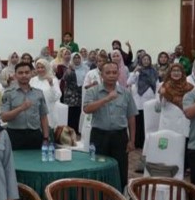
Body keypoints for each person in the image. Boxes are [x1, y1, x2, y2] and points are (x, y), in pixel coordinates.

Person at [83, 61, 138, 191]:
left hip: (120, 136)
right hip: (99, 135)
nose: (111, 75)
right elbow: (87, 109)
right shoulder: (93, 91)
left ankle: (120, 197)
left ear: (118, 74)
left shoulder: (125, 93)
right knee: (98, 168)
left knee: (120, 169)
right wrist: (106, 99)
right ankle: (99, 196)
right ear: (101, 75)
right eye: (108, 73)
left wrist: (132, 140)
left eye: (114, 72)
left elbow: (131, 117)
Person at [0, 62, 51, 150]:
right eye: (20, 73)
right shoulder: (8, 93)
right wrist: (20, 108)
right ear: (15, 75)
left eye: (27, 72)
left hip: (35, 135)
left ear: (31, 74)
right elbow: (4, 117)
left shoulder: (38, 93)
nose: (24, 75)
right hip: (15, 135)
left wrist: (46, 137)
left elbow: (43, 117)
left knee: (36, 158)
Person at [128, 54, 158, 150]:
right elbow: (129, 82)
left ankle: (146, 142)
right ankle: (137, 142)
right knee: (138, 122)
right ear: (141, 61)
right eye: (144, 59)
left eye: (148, 59)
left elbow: (157, 86)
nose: (146, 61)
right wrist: (135, 71)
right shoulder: (137, 72)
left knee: (147, 122)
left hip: (150, 100)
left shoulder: (154, 72)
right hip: (138, 101)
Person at [29, 59, 62, 127]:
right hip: (35, 110)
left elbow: (56, 96)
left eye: (42, 67)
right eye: (38, 67)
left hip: (48, 110)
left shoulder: (53, 80)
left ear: (46, 67)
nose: (40, 69)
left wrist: (51, 85)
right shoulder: (33, 80)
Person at [62, 53, 88, 132]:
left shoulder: (86, 68)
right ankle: (70, 131)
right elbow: (65, 78)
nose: (77, 60)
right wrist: (70, 70)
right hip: (71, 96)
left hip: (81, 95)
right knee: (70, 114)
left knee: (78, 113)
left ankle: (78, 130)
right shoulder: (69, 69)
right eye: (75, 58)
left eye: (78, 58)